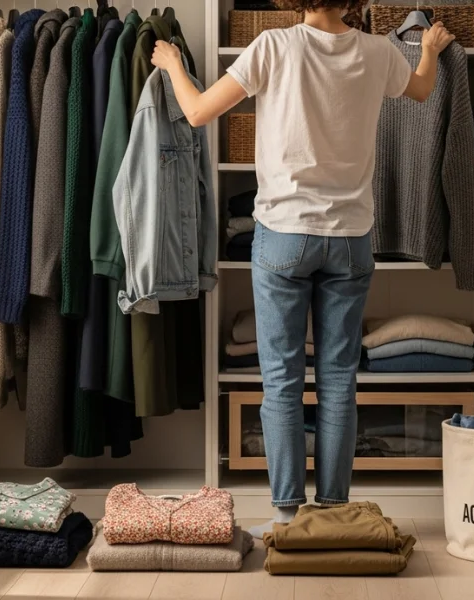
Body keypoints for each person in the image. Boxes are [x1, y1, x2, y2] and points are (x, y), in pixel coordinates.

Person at [150, 0, 455, 536]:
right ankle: (333, 510)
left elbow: (197, 112)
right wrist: (428, 50)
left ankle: (287, 514)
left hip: (284, 235)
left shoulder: (272, 45)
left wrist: (172, 63)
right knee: (339, 380)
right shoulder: (379, 51)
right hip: (352, 239)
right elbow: (423, 90)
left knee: (282, 382)